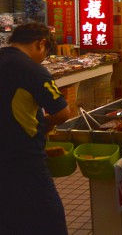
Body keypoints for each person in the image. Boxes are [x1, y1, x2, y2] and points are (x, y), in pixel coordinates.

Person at [0, 22, 71, 235]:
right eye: (46, 53)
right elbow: (62, 113)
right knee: (48, 220)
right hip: (24, 160)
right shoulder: (32, 69)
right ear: (41, 44)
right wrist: (45, 126)